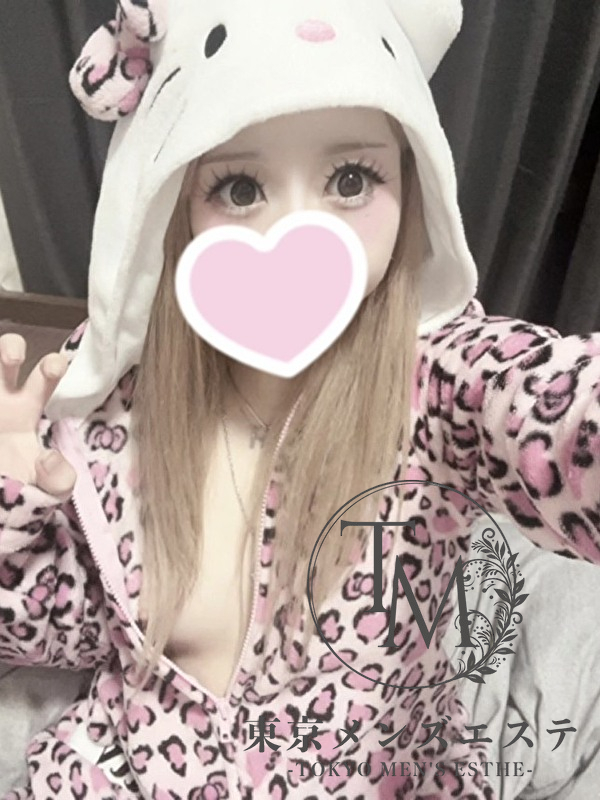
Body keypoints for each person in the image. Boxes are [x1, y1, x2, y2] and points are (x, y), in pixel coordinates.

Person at [1, 0, 599, 797]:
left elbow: (555, 411)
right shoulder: (110, 400)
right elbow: (65, 636)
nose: (299, 231)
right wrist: (13, 515)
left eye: (350, 180)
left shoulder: (443, 383)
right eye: (240, 187)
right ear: (175, 203)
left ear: (412, 183)